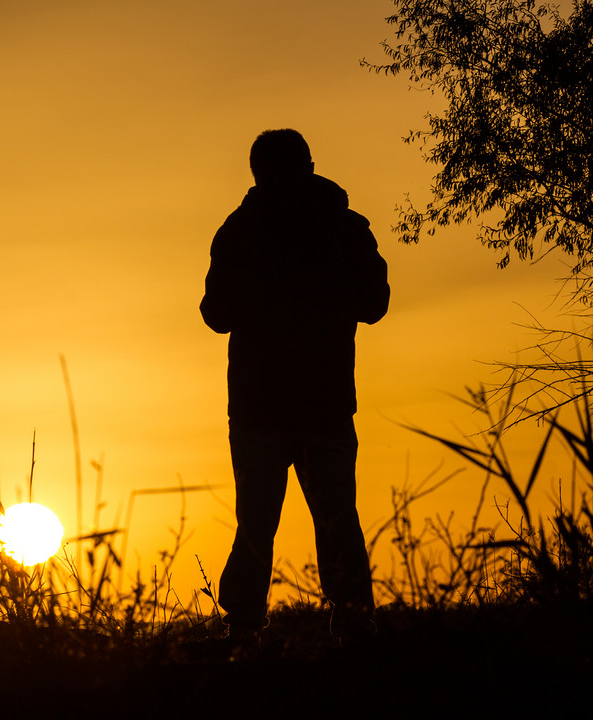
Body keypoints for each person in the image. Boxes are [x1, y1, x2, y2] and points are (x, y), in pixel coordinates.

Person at [200, 129, 389, 647]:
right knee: (336, 520)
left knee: (257, 521)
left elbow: (216, 314)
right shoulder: (345, 228)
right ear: (308, 164)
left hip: (261, 404)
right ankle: (353, 626)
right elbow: (374, 303)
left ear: (257, 171)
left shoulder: (239, 231)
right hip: (323, 400)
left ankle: (242, 632)